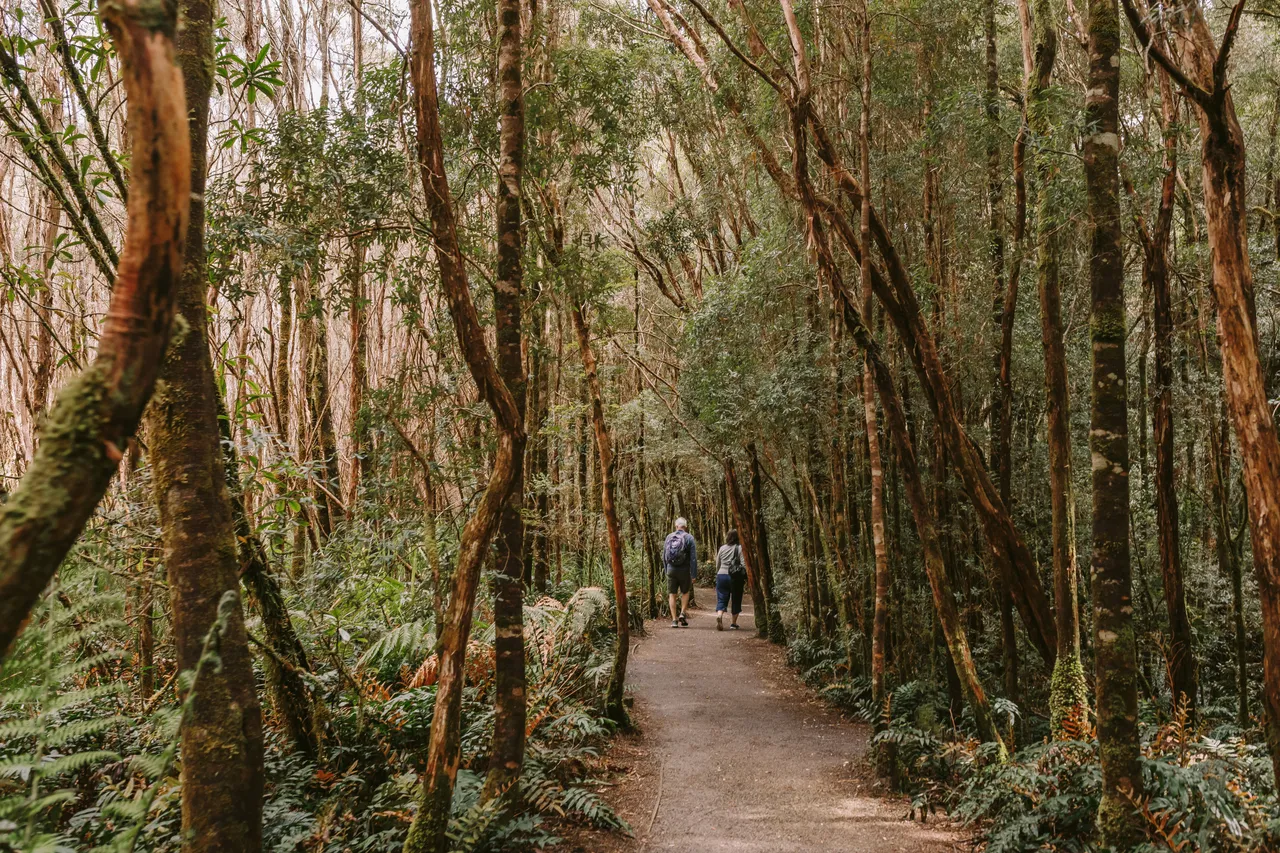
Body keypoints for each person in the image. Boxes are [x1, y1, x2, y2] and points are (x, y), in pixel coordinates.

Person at [663, 518, 697, 628]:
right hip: (684, 570)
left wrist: (666, 570)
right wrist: (694, 574)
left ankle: (674, 620)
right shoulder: (689, 538)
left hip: (671, 569)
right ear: (685, 526)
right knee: (685, 592)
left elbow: (664, 556)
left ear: (676, 526)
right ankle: (682, 613)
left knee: (672, 594)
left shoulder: (669, 537)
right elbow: (693, 559)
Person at [715, 529, 748, 630]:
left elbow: (717, 563)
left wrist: (718, 573)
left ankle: (719, 615)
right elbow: (743, 564)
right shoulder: (739, 548)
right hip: (734, 578)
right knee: (736, 599)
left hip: (721, 575)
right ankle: (733, 624)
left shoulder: (722, 548)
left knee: (722, 598)